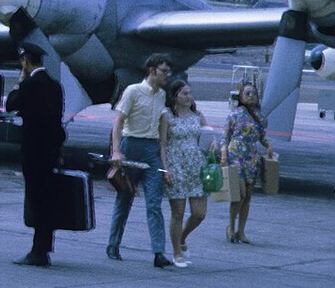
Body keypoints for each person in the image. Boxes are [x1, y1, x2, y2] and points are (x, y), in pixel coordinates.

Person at [107, 53, 175, 269]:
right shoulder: (133, 91)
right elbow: (118, 121)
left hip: (151, 148)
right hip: (131, 145)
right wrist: (116, 151)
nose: (167, 75)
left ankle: (158, 252)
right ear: (152, 70)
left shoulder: (161, 95)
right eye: (164, 71)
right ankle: (113, 244)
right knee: (125, 198)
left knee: (154, 202)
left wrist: (164, 163)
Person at [5, 45, 66, 267]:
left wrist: (20, 81)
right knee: (47, 200)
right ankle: (44, 247)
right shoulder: (55, 86)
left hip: (33, 151)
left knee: (36, 199)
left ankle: (37, 251)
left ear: (25, 62)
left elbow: (10, 104)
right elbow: (56, 123)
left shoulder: (29, 84)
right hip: (50, 151)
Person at [160, 79, 210, 266]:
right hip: (176, 165)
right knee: (178, 212)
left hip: (196, 165)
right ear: (175, 96)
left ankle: (182, 238)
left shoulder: (198, 115)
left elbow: (207, 138)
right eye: (184, 93)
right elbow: (163, 144)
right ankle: (176, 253)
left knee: (199, 213)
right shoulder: (167, 116)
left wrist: (213, 147)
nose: (189, 97)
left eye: (190, 93)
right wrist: (165, 169)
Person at [222, 82, 272, 244]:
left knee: (248, 196)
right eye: (247, 93)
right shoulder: (234, 114)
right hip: (236, 155)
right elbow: (226, 135)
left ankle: (241, 231)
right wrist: (223, 152)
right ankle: (230, 226)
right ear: (241, 97)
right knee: (239, 194)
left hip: (252, 157)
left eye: (253, 93)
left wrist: (268, 146)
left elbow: (261, 136)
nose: (251, 96)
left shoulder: (260, 117)